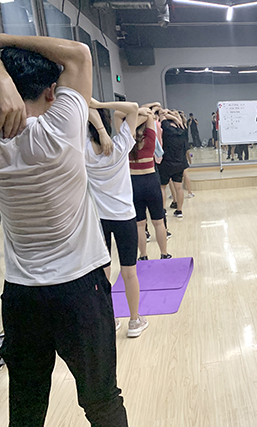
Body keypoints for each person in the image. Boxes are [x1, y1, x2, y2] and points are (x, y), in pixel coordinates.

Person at [0, 34, 128, 426]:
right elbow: (79, 55)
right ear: (51, 92)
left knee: (26, 408)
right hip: (79, 291)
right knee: (102, 402)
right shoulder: (60, 129)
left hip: (21, 296)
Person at [85, 98, 149, 338]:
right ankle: (134, 321)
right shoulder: (121, 144)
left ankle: (109, 320)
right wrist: (100, 104)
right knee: (129, 271)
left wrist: (97, 125)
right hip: (125, 218)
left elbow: (86, 113)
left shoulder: (83, 150)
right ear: (107, 123)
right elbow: (133, 108)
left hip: (99, 220)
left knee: (103, 273)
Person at [130, 109, 171, 260]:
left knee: (140, 225)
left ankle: (143, 255)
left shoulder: (127, 138)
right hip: (151, 181)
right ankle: (164, 254)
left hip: (134, 183)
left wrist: (134, 114)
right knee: (159, 222)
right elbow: (149, 115)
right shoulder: (150, 138)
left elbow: (118, 115)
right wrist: (142, 112)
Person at [158, 109, 189, 218]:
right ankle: (179, 211)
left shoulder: (166, 127)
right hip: (179, 163)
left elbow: (162, 116)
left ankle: (163, 210)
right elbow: (179, 120)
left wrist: (166, 113)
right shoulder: (182, 129)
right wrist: (174, 116)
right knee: (179, 188)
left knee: (162, 187)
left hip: (166, 163)